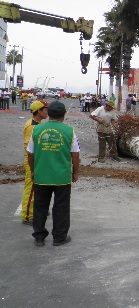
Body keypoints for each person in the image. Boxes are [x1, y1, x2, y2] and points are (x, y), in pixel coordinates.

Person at [27, 101, 80, 247]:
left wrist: (33, 170)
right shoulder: (70, 131)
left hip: (41, 175)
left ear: (48, 114)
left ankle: (39, 237)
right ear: (64, 115)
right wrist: (76, 172)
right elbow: (75, 155)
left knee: (40, 206)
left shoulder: (37, 130)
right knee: (61, 207)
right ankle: (59, 237)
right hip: (61, 177)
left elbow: (30, 154)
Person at [21, 100, 49, 225]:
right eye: (45, 109)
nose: (47, 112)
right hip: (33, 161)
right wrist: (33, 166)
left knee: (37, 188)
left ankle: (35, 210)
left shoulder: (38, 123)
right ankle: (27, 216)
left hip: (37, 161)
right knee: (31, 188)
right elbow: (29, 148)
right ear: (39, 111)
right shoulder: (32, 126)